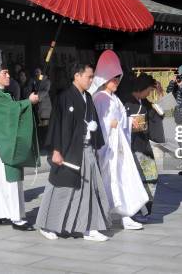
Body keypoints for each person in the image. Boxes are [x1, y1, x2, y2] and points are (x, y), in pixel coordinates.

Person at [35, 63, 111, 242]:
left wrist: (95, 142)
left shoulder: (88, 98)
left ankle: (89, 227)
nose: (91, 80)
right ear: (77, 76)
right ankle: (47, 224)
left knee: (90, 188)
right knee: (61, 187)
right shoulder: (64, 97)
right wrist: (56, 150)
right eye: (89, 77)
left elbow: (93, 123)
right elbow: (56, 125)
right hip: (67, 150)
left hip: (86, 149)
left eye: (92, 77)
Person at [0, 49, 39, 230]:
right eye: (4, 73)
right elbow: (11, 112)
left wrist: (26, 103)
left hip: (5, 144)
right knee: (8, 182)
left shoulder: (4, 95)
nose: (8, 75)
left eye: (8, 72)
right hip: (2, 147)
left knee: (4, 183)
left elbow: (12, 111)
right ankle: (16, 217)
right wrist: (28, 102)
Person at [91, 50, 149, 231]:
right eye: (113, 78)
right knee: (113, 180)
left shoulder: (112, 97)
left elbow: (118, 120)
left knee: (122, 179)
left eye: (117, 78)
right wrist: (112, 123)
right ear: (104, 80)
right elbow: (100, 122)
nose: (117, 81)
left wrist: (128, 121)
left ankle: (126, 213)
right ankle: (112, 213)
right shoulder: (100, 98)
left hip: (119, 146)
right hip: (109, 148)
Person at [121, 73, 164, 220]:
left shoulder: (143, 102)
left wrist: (159, 95)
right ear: (142, 88)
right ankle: (138, 211)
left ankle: (145, 209)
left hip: (144, 144)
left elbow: (158, 113)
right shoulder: (127, 102)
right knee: (137, 179)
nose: (149, 94)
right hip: (132, 146)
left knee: (151, 177)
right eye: (149, 90)